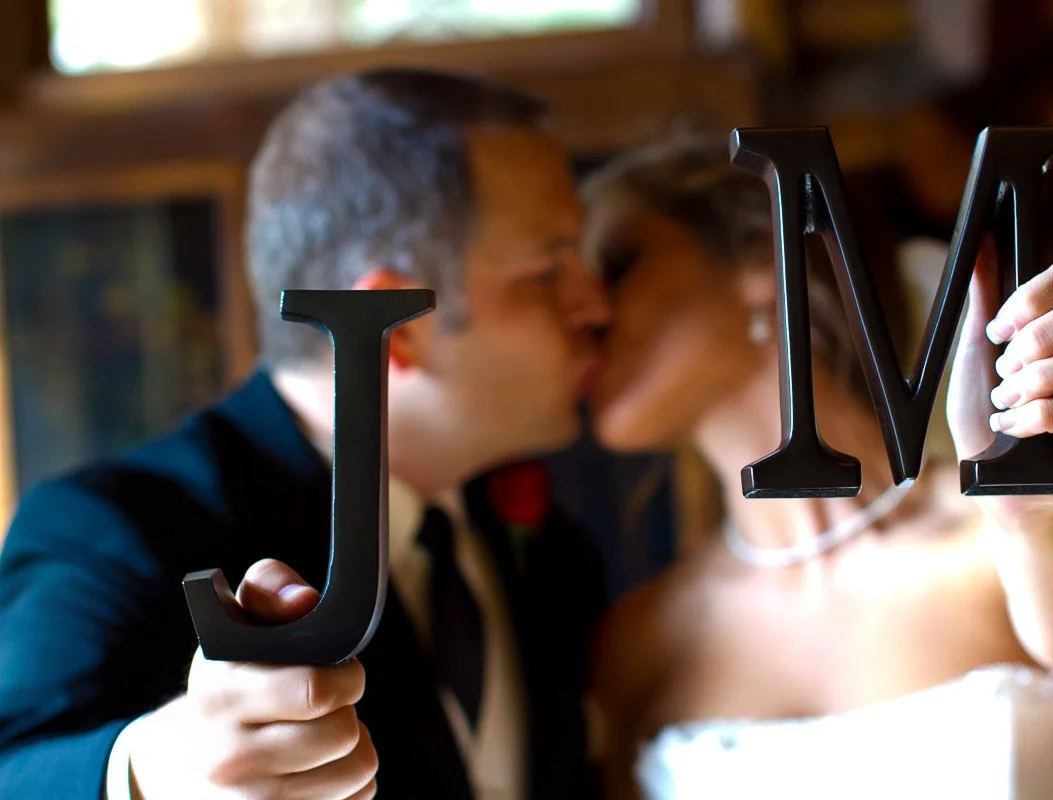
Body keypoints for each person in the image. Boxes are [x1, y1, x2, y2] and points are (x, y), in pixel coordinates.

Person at [0, 69, 610, 799]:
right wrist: (146, 771)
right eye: (549, 272)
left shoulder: (554, 556)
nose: (596, 305)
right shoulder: (114, 529)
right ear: (399, 322)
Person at [581, 138, 1053, 799]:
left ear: (761, 260)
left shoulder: (1028, 532)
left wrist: (1028, 513)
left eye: (616, 266)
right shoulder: (640, 645)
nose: (586, 312)